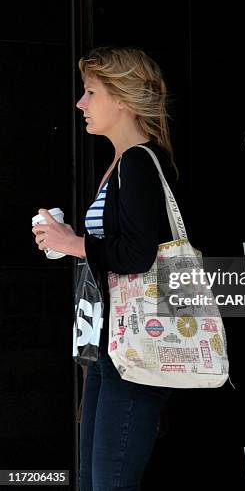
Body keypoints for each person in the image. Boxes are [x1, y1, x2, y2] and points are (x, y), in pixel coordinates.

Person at [32, 46, 179, 491]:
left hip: (133, 351)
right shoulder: (120, 165)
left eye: (90, 92)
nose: (80, 103)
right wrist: (72, 238)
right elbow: (122, 246)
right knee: (94, 481)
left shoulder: (138, 162)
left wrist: (72, 243)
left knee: (108, 484)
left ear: (123, 100)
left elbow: (137, 254)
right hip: (111, 347)